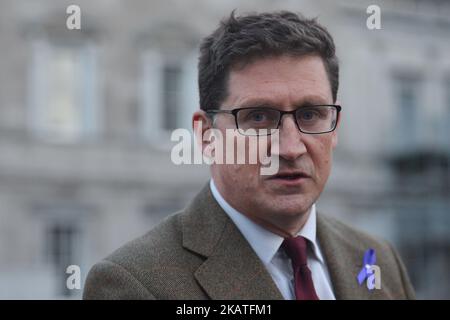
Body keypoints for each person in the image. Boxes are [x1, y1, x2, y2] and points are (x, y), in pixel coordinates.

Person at [83, 10, 415, 300]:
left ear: (335, 126)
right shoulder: (133, 284)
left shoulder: (378, 258)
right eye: (258, 118)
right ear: (206, 134)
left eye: (311, 115)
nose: (290, 148)